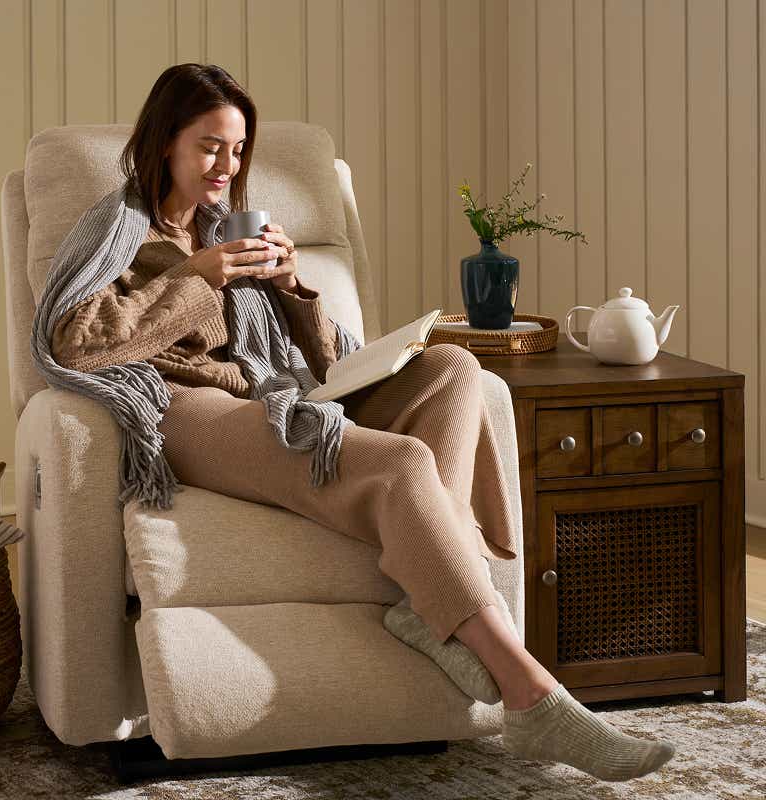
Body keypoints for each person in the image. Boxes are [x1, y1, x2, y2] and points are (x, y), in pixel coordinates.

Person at [48, 63, 675, 783]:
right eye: (210, 146)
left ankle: (427, 599)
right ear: (165, 143)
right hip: (189, 408)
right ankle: (531, 694)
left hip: (277, 389)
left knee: (457, 369)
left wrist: (291, 287)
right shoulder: (116, 228)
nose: (229, 164)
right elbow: (81, 340)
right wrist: (200, 275)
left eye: (239, 147)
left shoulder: (229, 228)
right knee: (405, 462)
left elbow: (324, 360)